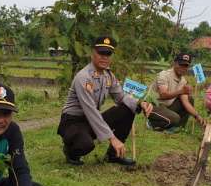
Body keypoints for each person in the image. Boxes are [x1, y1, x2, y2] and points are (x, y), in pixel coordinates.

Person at [58, 35, 153, 167]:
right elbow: (90, 111)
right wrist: (112, 138)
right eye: (101, 53)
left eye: (108, 54)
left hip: (89, 121)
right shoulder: (84, 77)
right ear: (93, 53)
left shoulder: (108, 76)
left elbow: (121, 97)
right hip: (72, 122)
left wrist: (140, 103)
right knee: (85, 145)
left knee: (127, 109)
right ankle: (70, 151)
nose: (104, 57)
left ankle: (113, 155)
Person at [148, 52, 205, 132]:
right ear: (175, 63)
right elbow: (163, 95)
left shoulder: (183, 81)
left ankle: (177, 128)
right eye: (181, 64)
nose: (183, 68)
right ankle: (152, 123)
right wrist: (181, 91)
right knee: (175, 118)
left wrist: (198, 116)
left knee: (189, 99)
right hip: (154, 106)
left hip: (168, 107)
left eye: (186, 66)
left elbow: (186, 102)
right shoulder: (164, 75)